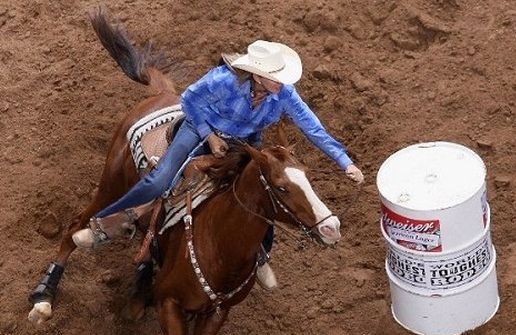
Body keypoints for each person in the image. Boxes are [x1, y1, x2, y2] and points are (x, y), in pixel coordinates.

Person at [72, 40, 364, 289]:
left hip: (245, 139)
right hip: (200, 128)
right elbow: (189, 100)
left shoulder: (284, 93)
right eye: (276, 76)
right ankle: (105, 222)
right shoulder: (224, 80)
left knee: (267, 192)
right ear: (257, 76)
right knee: (160, 180)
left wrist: (345, 162)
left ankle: (260, 255)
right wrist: (209, 137)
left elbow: (313, 128)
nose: (282, 82)